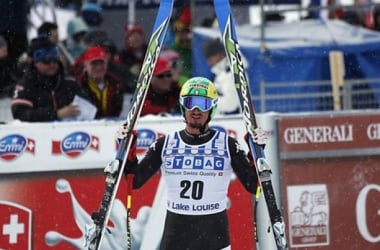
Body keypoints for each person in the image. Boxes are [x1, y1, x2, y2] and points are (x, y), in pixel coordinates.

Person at [121, 77, 260, 249]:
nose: (196, 109)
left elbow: (253, 185)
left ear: (212, 107)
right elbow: (134, 181)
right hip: (176, 238)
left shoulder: (227, 145)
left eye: (203, 104)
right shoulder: (165, 144)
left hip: (214, 239)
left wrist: (256, 156)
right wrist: (129, 154)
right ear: (182, 106)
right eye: (190, 103)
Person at [11, 36, 86, 122]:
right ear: (35, 63)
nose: (52, 65)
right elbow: (20, 114)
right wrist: (56, 114)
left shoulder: (69, 84)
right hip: (38, 133)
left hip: (70, 132)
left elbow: (89, 111)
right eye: (46, 61)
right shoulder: (25, 85)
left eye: (55, 61)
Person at [77, 45, 124, 119]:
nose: (98, 67)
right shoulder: (78, 86)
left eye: (101, 63)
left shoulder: (116, 84)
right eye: (94, 63)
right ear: (85, 65)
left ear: (107, 64)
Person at [202, 38, 241, 115]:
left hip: (232, 121)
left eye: (210, 57)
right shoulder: (222, 72)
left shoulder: (230, 73)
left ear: (218, 54)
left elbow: (231, 103)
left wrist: (206, 102)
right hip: (225, 120)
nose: (208, 61)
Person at [170, 7, 192, 86]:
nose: (184, 35)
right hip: (184, 86)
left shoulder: (198, 49)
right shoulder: (174, 50)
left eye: (187, 31)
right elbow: (174, 74)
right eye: (181, 32)